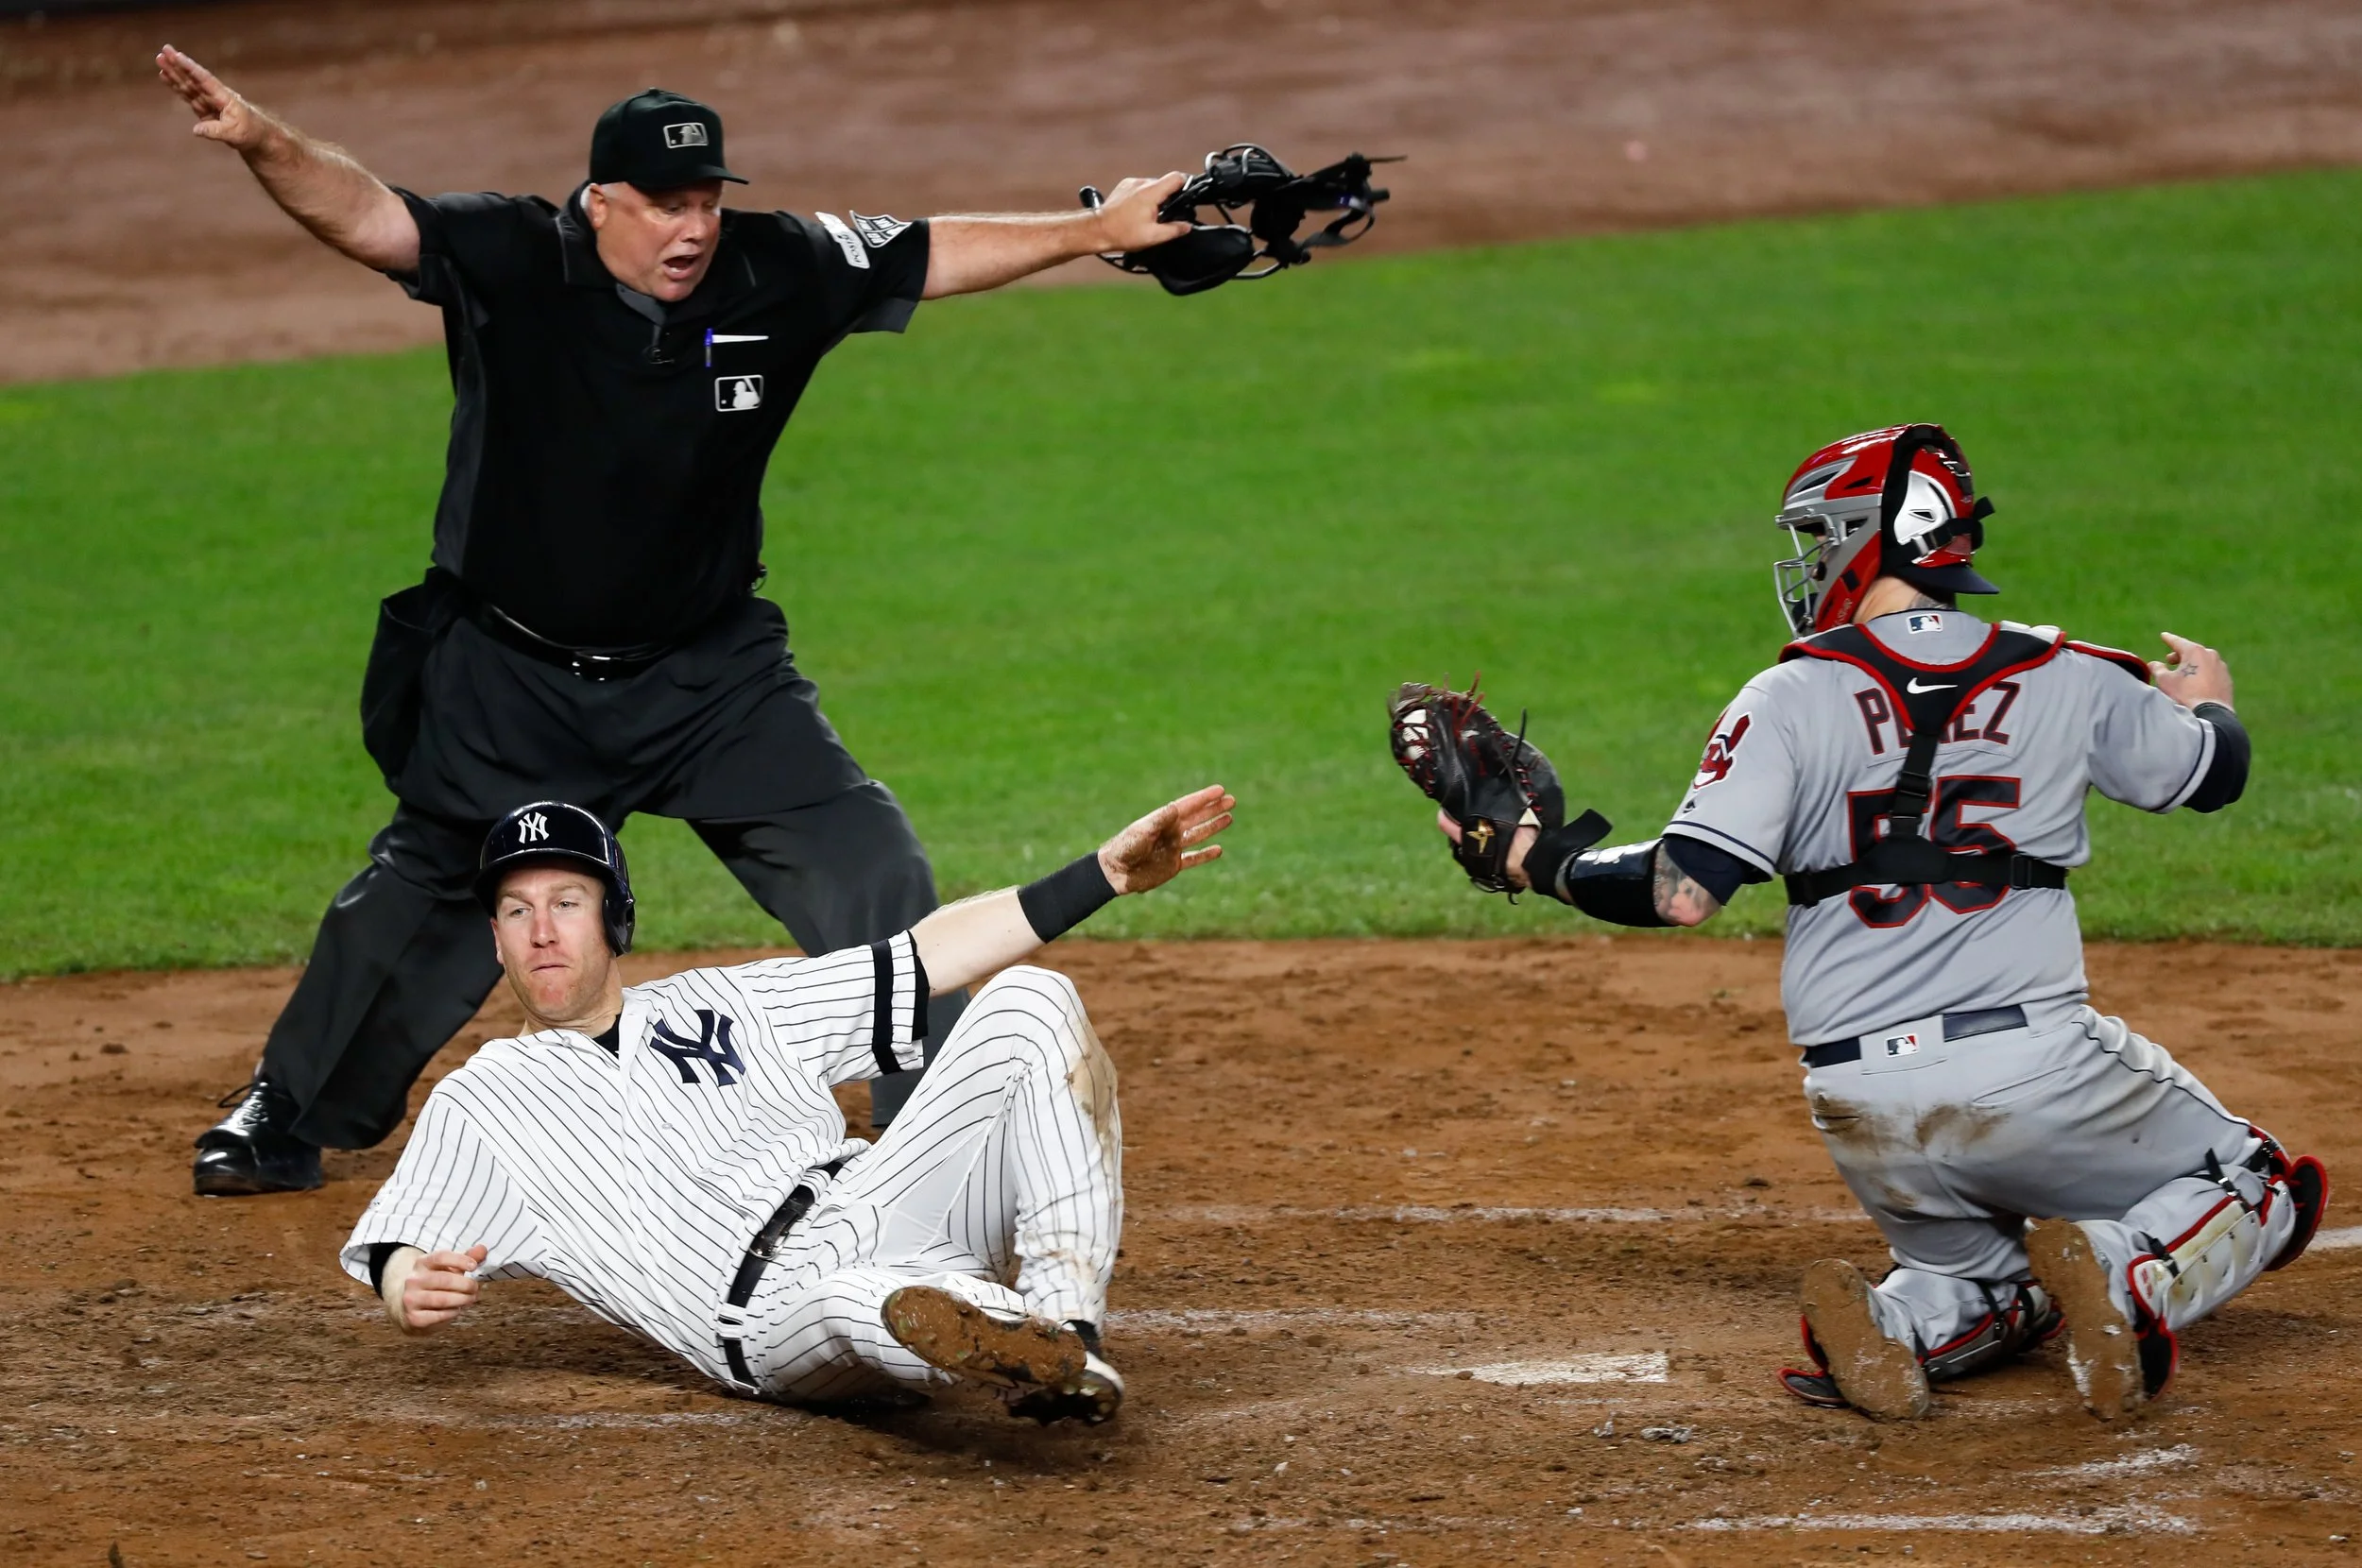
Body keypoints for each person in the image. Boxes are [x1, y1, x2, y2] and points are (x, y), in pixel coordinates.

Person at [156, 47, 1198, 1195]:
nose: (692, 227)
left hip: (714, 679)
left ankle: (932, 1133)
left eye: (706, 200)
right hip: (516, 677)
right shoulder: (513, 258)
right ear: (600, 202)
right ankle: (289, 1107)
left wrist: (1092, 231)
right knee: (435, 885)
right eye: (663, 203)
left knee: (868, 862)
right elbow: (368, 217)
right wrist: (263, 141)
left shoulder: (775, 267)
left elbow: (929, 247)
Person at [1444, 424, 2327, 1421]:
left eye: (1820, 536)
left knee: (1986, 1269)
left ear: (1870, 534)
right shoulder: (2067, 672)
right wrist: (2208, 705)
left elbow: (1677, 889)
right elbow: (2214, 777)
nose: (1808, 561)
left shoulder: (1786, 692)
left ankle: (1911, 1315)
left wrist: (1532, 856)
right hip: (2034, 1077)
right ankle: (2129, 1276)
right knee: (2258, 1178)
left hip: (1857, 1103)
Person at [345, 783, 1233, 1421]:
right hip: (769, 1319)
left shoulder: (727, 1002)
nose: (541, 930)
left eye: (566, 902)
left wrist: (1102, 876)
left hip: (881, 1196)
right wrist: (401, 1285)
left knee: (1031, 1002)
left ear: (612, 919)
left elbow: (925, 957)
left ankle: (1067, 1328)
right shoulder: (485, 1099)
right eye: (514, 910)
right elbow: (401, 1241)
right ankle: (1006, 1340)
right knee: (856, 1301)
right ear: (495, 939)